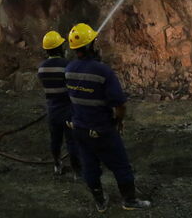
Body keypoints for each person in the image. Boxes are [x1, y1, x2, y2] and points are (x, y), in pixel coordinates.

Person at [65, 23, 150, 212]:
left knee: (89, 165)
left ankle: (100, 201)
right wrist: (118, 121)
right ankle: (129, 200)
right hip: (101, 129)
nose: (97, 44)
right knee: (120, 164)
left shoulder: (69, 69)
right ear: (90, 46)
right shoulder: (102, 71)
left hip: (79, 129)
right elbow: (119, 104)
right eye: (94, 41)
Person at [37, 31, 81, 179]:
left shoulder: (41, 68)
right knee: (71, 141)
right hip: (68, 110)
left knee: (55, 140)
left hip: (52, 110)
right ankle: (77, 171)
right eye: (62, 45)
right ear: (59, 48)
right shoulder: (67, 65)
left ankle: (57, 165)